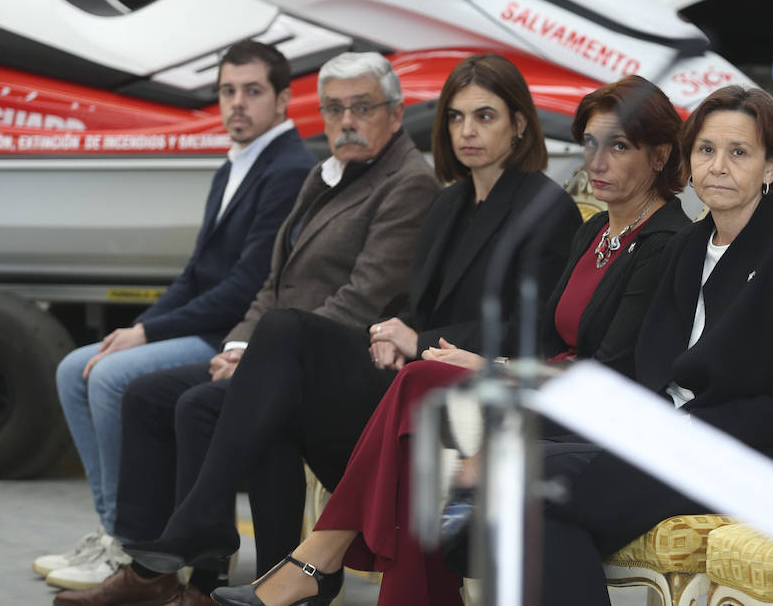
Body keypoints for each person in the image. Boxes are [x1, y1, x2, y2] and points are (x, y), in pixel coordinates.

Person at [205, 74, 693, 606]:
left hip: (594, 415)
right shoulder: (594, 232)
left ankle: (317, 560)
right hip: (542, 392)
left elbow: (612, 373)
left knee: (421, 386)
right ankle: (334, 568)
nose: (596, 163)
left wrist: (491, 368)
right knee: (421, 427)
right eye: (590, 145)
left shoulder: (666, 241)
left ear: (661, 154)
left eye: (618, 147)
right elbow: (548, 341)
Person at [119, 54, 584, 602]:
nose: (468, 131)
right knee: (254, 398)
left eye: (485, 117)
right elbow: (414, 303)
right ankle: (277, 576)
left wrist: (421, 339)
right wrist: (393, 331)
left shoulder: (545, 207)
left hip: (462, 399)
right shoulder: (451, 201)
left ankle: (208, 526)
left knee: (286, 332)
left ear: (520, 124)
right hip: (403, 383)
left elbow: (530, 330)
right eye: (456, 118)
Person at [56, 52, 440, 606]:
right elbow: (271, 283)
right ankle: (185, 570)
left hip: (349, 363)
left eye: (362, 107)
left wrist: (258, 353)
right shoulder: (323, 173)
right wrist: (240, 345)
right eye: (334, 108)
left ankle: (242, 565)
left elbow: (365, 297)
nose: (346, 121)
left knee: (211, 402)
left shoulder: (407, 184)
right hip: (282, 351)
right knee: (155, 396)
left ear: (397, 114)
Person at [514, 85, 773, 606]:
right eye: (706, 150)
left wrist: (690, 428)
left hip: (739, 458)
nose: (718, 166)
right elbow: (651, 365)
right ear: (689, 160)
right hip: (663, 439)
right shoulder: (689, 244)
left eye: (739, 152)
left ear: (770, 165)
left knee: (539, 494)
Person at [39, 41, 317, 591]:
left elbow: (246, 287)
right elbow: (194, 274)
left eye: (252, 91)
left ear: (283, 100)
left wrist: (148, 332)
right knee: (76, 367)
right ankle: (112, 530)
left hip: (230, 335)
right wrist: (135, 329)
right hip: (201, 322)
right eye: (226, 91)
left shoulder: (287, 169)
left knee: (112, 379)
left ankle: (132, 543)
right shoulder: (234, 164)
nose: (236, 104)